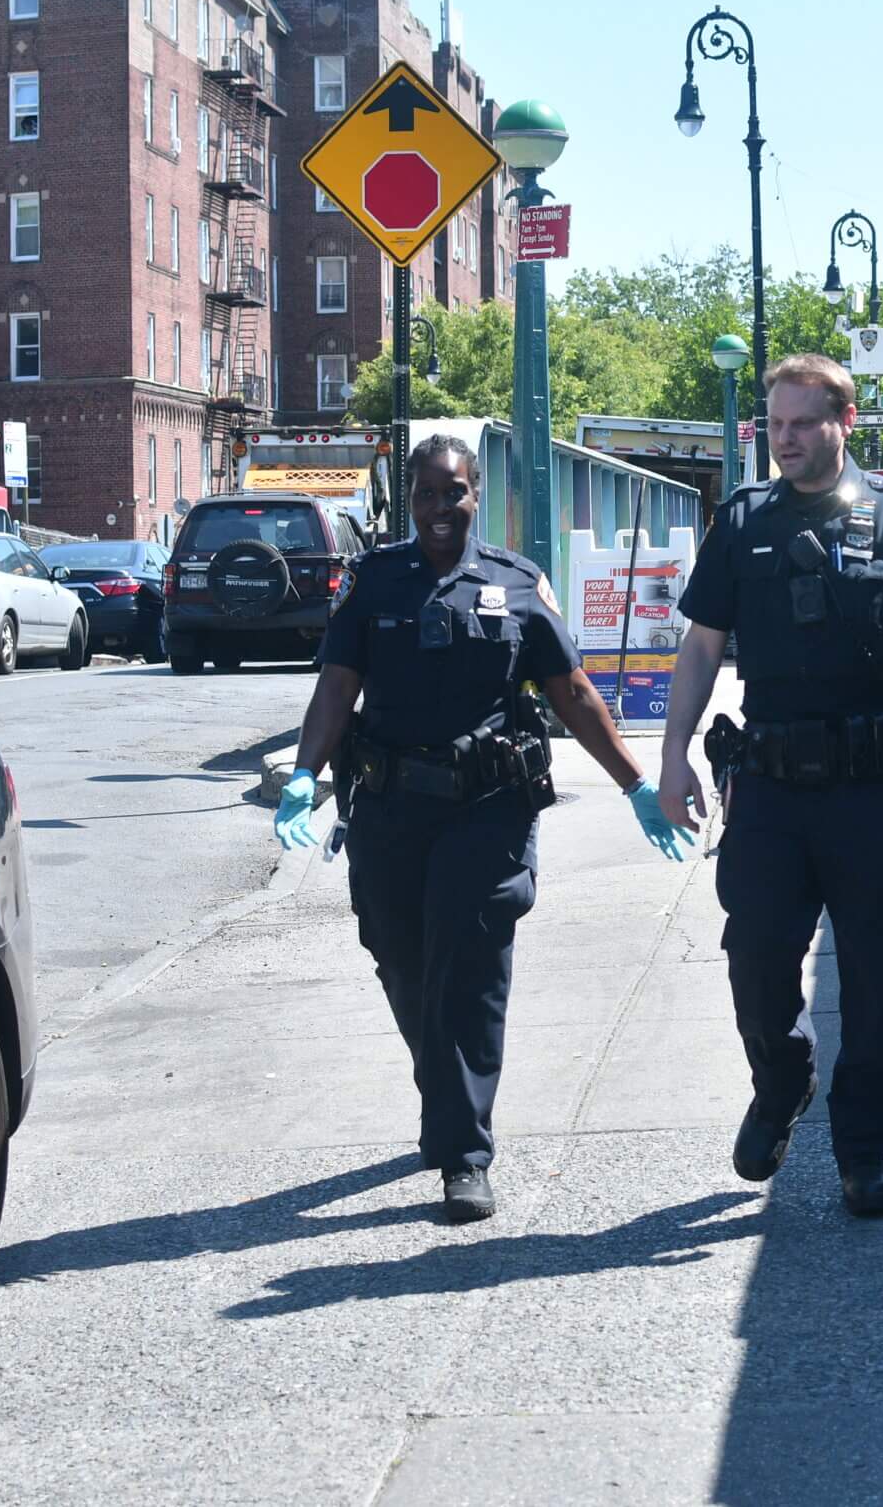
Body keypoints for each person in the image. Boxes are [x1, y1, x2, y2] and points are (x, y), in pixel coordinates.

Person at [275, 432, 692, 1223]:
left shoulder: (518, 584)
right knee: (400, 958)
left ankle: (464, 1155)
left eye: (455, 492)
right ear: (411, 500)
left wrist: (636, 784)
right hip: (391, 809)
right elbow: (337, 687)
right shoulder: (375, 583)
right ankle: (445, 1087)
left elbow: (571, 691)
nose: (441, 508)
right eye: (428, 494)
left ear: (476, 496)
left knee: (466, 970)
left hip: (486, 811)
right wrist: (304, 773)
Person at [659, 355, 883, 1218]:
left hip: (873, 790)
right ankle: (783, 1079)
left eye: (802, 422)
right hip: (767, 788)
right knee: (756, 957)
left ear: (845, 418)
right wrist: (673, 751)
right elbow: (699, 646)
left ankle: (861, 1150)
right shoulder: (742, 520)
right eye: (774, 424)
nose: (784, 439)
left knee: (873, 977)